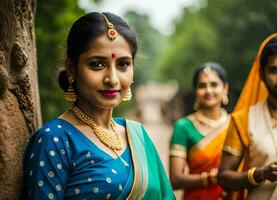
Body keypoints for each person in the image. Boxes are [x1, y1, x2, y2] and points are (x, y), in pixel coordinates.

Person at [22, 12, 175, 200]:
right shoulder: (54, 140)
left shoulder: (138, 135)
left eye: (123, 64)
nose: (112, 79)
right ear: (72, 68)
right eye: (97, 64)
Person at [218, 33, 277, 200]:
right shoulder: (242, 119)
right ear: (262, 74)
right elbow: (224, 177)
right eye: (274, 70)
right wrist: (260, 174)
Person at [169, 62, 230, 199]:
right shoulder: (183, 127)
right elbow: (175, 179)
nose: (208, 90)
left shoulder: (235, 124)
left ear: (225, 88)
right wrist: (213, 178)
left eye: (214, 84)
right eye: (202, 86)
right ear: (196, 91)